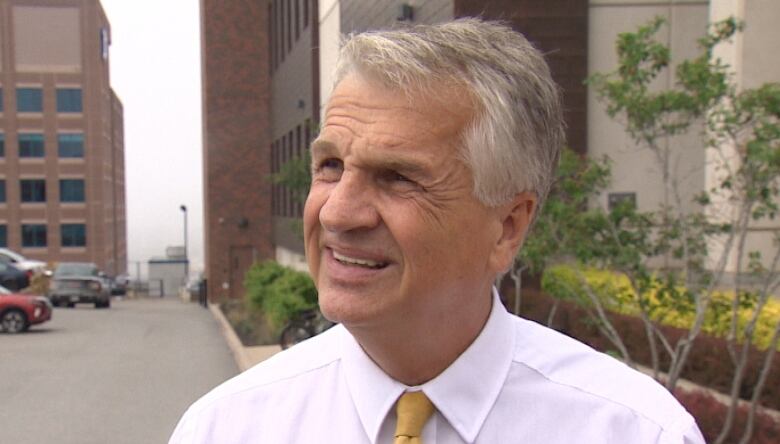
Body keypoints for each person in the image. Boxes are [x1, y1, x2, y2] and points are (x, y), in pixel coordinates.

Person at [170, 19, 704, 443]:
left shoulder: (634, 431)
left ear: (507, 227)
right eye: (330, 166)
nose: (337, 213)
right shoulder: (225, 428)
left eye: (398, 177)